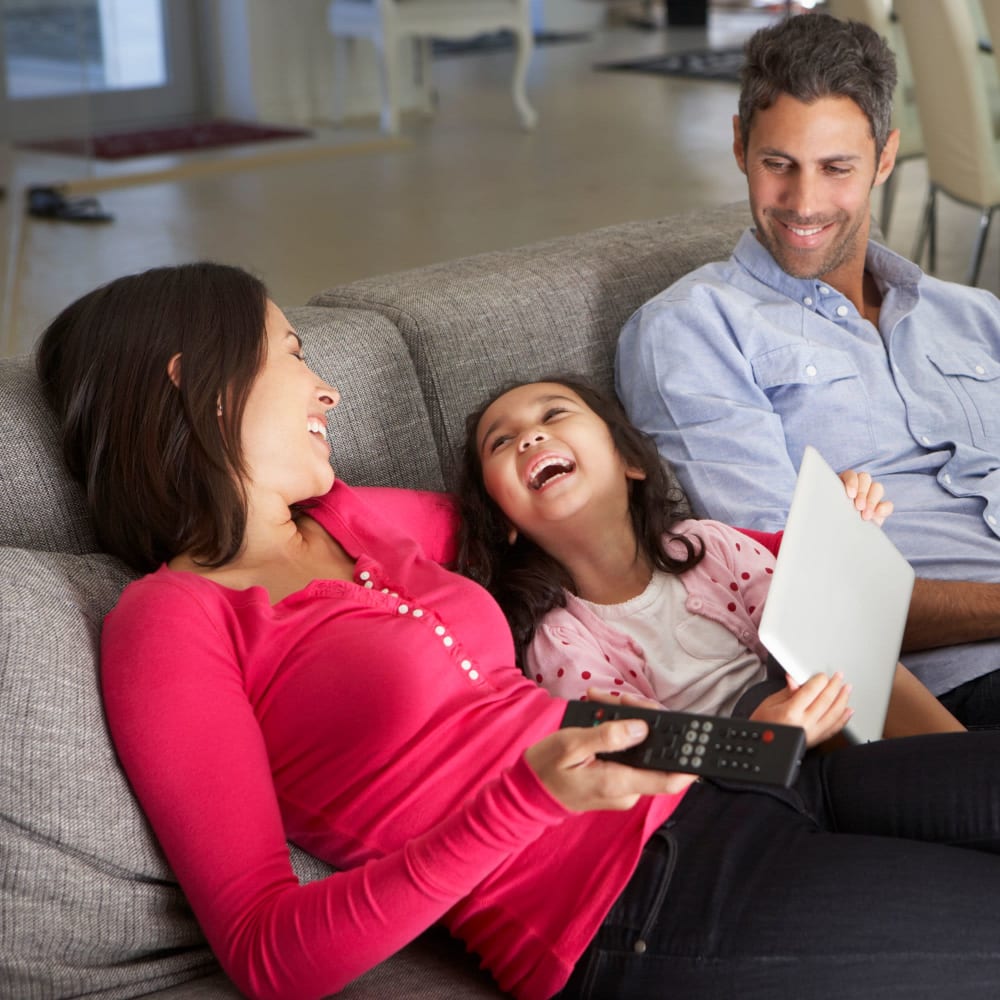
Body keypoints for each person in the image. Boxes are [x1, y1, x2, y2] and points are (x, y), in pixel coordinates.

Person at [34, 262, 1000, 1000]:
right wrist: (521, 803)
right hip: (632, 908)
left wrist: (812, 540)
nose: (326, 393)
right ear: (198, 383)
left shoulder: (354, 518)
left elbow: (596, 525)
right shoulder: (170, 622)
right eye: (292, 354)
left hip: (736, 770)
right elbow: (264, 951)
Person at [615, 11, 1000, 728]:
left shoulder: (974, 315)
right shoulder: (696, 328)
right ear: (739, 147)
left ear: (885, 159)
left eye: (837, 168)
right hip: (951, 687)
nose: (803, 204)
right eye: (778, 164)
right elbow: (799, 596)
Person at [455, 375, 963, 746]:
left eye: (554, 414)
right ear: (505, 520)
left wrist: (843, 538)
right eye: (501, 441)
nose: (530, 437)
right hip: (735, 783)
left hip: (815, 708)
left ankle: (961, 756)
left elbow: (808, 626)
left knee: (852, 664)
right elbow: (640, 749)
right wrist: (763, 737)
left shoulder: (710, 545)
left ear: (630, 462)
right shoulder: (559, 638)